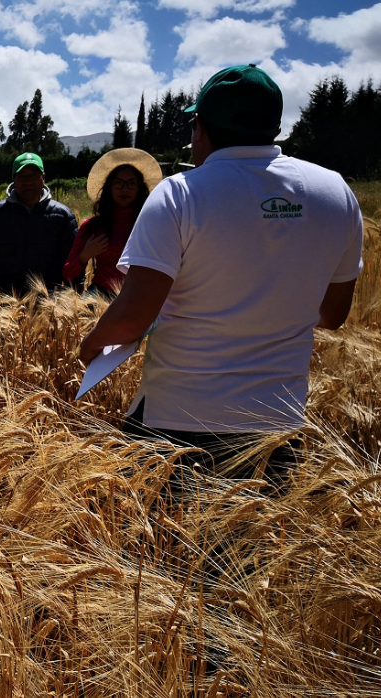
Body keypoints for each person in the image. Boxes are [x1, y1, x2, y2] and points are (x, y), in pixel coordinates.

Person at [79, 64, 364, 492]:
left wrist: (93, 346)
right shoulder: (334, 191)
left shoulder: (180, 194)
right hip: (276, 425)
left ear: (201, 127)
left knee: (160, 553)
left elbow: (132, 318)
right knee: (248, 556)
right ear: (274, 126)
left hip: (176, 422)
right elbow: (333, 314)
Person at [0, 153, 79, 301]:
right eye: (22, 177)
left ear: (43, 178)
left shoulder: (62, 216)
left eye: (33, 176)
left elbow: (74, 260)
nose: (28, 182)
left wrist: (71, 298)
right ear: (13, 179)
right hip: (3, 304)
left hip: (49, 305)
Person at [62, 148, 162, 297]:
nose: (124, 189)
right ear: (109, 187)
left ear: (140, 188)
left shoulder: (151, 225)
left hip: (141, 298)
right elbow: (68, 274)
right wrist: (85, 255)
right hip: (100, 297)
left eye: (131, 183)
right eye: (118, 183)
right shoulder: (93, 226)